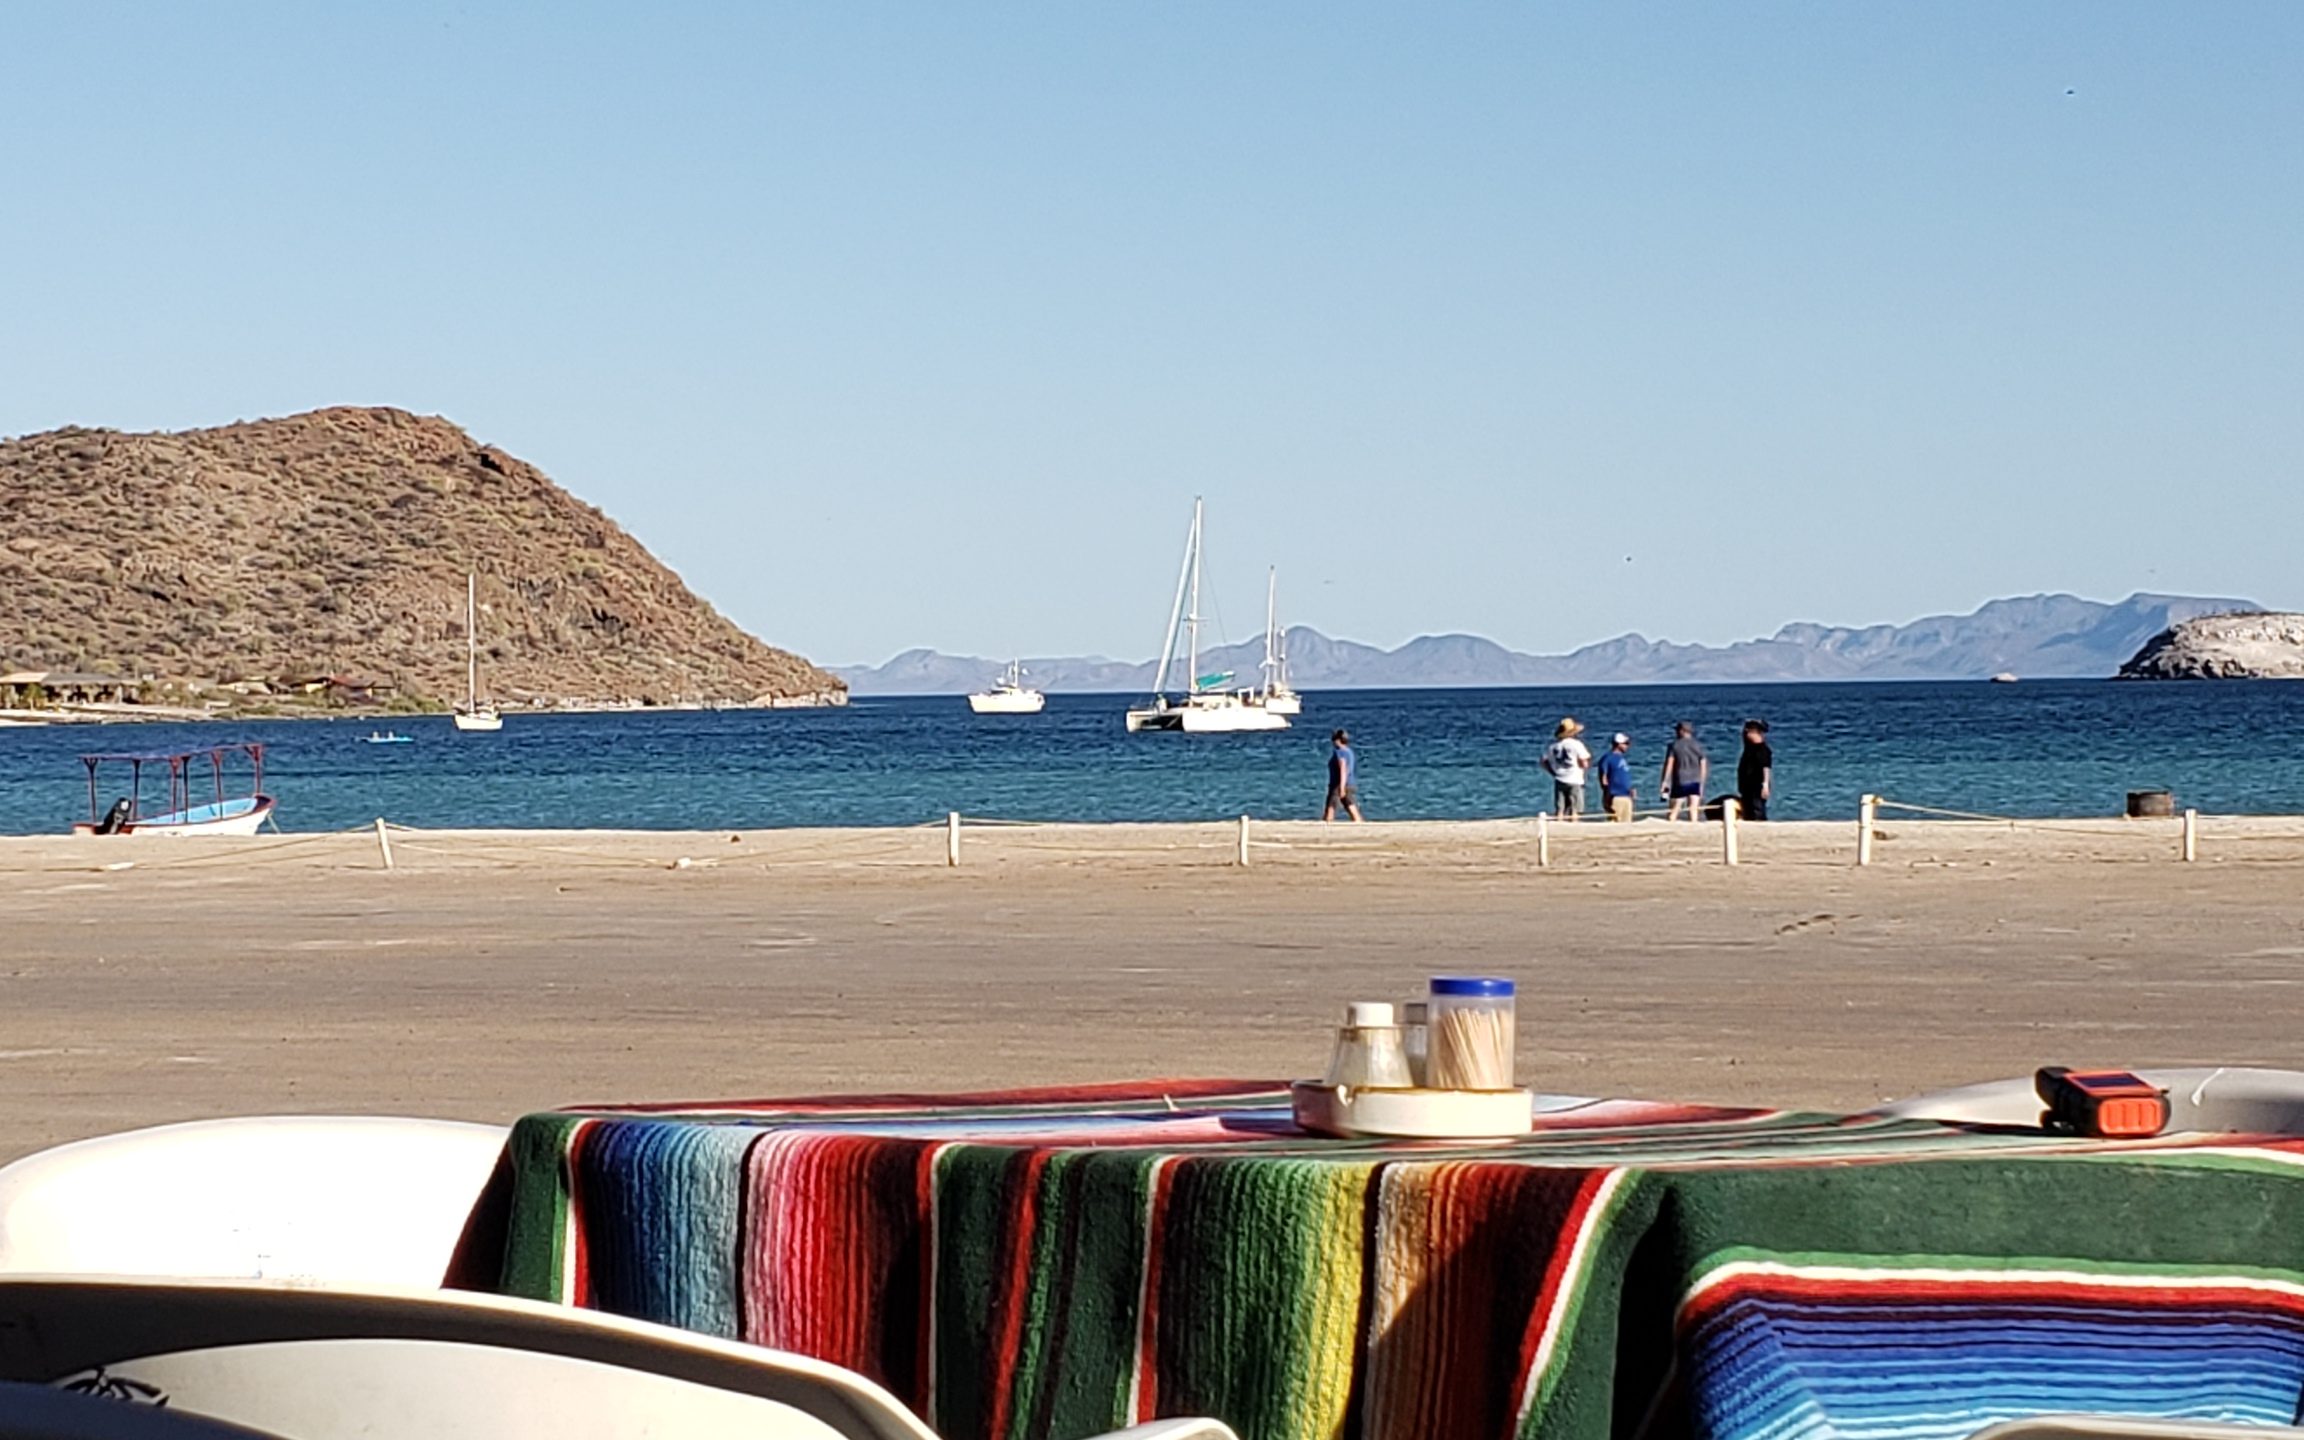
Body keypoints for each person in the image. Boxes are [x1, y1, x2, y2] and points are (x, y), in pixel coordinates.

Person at [1540, 717, 1591, 818]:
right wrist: (1583, 769)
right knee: (1575, 810)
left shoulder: (1553, 746)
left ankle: (1559, 823)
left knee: (1560, 809)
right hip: (1574, 779)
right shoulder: (1576, 744)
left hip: (1560, 778)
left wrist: (1553, 772)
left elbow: (1544, 762)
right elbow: (1584, 762)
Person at [1660, 720, 1707, 821]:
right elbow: (1703, 764)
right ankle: (1693, 826)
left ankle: (1671, 824)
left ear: (1682, 731)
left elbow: (1669, 764)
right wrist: (1702, 783)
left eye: (1677, 730)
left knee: (1675, 809)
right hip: (1695, 780)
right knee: (1693, 809)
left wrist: (1665, 782)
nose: (1676, 733)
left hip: (1681, 780)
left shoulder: (1674, 745)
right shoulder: (1698, 745)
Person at [1323, 729, 1364, 822]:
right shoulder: (1349, 752)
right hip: (1349, 783)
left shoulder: (1340, 752)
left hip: (1338, 785)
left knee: (1331, 807)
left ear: (1338, 740)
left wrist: (1341, 787)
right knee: (1350, 806)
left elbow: (1343, 769)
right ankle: (1359, 823)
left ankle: (1327, 825)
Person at [1737, 719, 1773, 821]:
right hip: (1747, 785)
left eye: (1750, 732)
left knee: (1757, 809)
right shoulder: (1749, 749)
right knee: (1748, 809)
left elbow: (1766, 767)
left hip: (1757, 785)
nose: (1747, 735)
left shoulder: (1762, 750)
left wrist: (1765, 784)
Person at [1596, 733, 1636, 822]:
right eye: (1626, 743)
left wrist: (1630, 789)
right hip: (1615, 796)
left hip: (1626, 796)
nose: (1627, 746)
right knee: (1615, 821)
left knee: (1627, 822)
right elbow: (1603, 779)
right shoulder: (1608, 758)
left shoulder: (1621, 758)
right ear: (1618, 744)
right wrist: (1608, 795)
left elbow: (1623, 776)